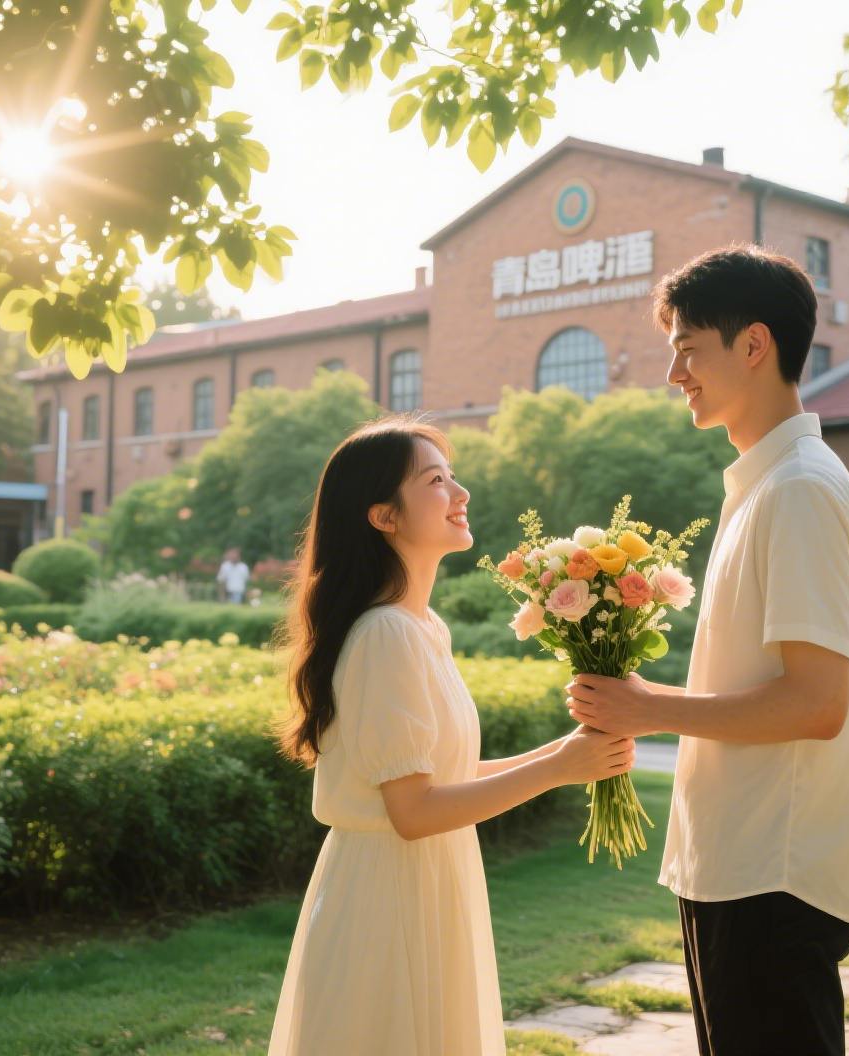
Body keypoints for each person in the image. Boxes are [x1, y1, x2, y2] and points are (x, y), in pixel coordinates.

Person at [567, 245, 849, 1056]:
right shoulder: (766, 483)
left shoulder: (800, 490)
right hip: (738, 861)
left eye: (687, 349)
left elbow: (818, 702)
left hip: (773, 871)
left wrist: (649, 708)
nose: (676, 374)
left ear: (754, 345)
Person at [267, 417, 635, 1056]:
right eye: (437, 481)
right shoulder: (386, 635)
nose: (461, 493)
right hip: (390, 899)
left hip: (426, 882)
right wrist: (556, 770)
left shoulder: (422, 626)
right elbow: (413, 812)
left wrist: (569, 753)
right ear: (383, 516)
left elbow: (441, 776)